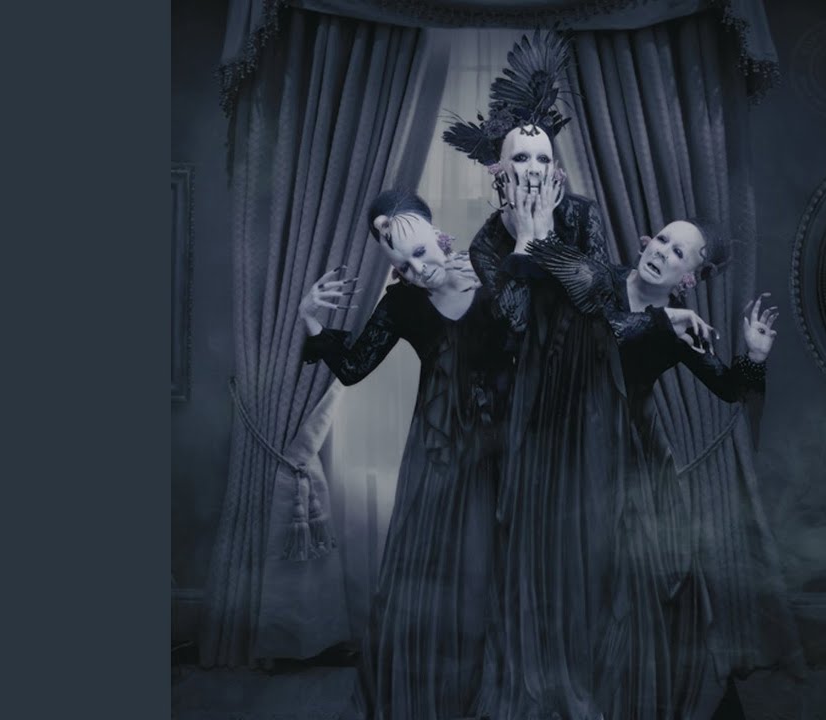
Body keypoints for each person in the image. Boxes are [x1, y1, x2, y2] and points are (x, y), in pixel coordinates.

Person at [445, 30, 661, 720]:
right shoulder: (486, 242)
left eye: (544, 157)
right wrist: (523, 245)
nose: (535, 168)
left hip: (591, 394)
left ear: (556, 167)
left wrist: (544, 244)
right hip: (527, 409)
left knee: (592, 537)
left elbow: (600, 295)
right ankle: (535, 676)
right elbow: (509, 322)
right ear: (499, 171)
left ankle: (592, 676)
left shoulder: (584, 216)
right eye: (521, 158)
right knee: (533, 543)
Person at [528, 219, 795, 720]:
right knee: (572, 576)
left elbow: (730, 391)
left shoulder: (680, 327)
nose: (662, 252)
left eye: (678, 253)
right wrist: (662, 322)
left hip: (636, 458)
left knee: (643, 581)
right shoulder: (601, 280)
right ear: (647, 242)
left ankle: (629, 699)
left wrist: (754, 357)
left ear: (688, 277)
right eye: (664, 240)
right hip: (571, 444)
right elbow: (588, 334)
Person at [299, 190, 509, 720]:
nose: (416, 271)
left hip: (506, 452)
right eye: (402, 265)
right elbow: (353, 368)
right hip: (438, 457)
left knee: (498, 574)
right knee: (437, 581)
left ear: (439, 235)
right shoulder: (400, 303)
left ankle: (495, 695)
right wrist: (310, 320)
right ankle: (438, 698)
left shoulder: (493, 278)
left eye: (419, 254)